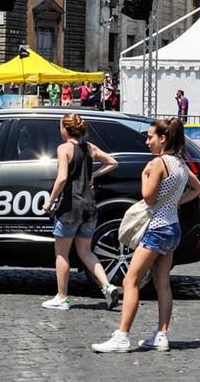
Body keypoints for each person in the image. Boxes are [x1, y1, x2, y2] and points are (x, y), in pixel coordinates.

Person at [92, 117, 200, 353]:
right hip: (173, 226)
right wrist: (176, 202)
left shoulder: (159, 164)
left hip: (157, 229)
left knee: (129, 281)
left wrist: (145, 174)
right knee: (162, 283)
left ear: (162, 139)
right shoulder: (180, 164)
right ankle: (161, 335)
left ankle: (122, 336)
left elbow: (148, 197)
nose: (147, 141)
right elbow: (198, 188)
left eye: (150, 137)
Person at [41, 114, 119, 311]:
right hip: (89, 207)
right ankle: (107, 286)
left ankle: (62, 297)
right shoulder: (89, 147)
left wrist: (50, 201)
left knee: (61, 254)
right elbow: (112, 162)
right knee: (86, 251)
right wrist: (93, 174)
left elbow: (62, 178)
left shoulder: (63, 148)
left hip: (70, 208)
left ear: (65, 130)